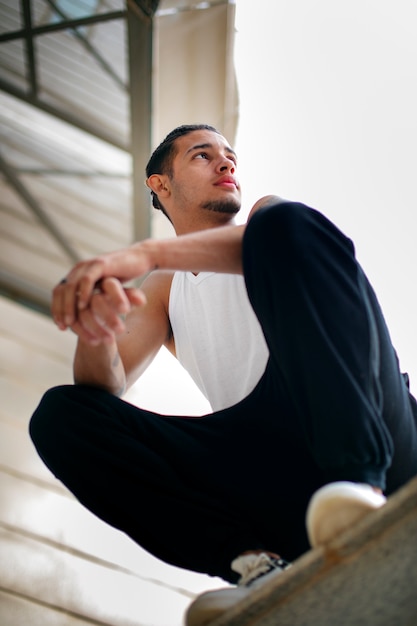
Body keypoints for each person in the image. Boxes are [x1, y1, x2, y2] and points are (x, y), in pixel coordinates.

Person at [29, 124, 417, 625]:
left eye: (229, 155)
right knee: (60, 415)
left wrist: (147, 251)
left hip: (366, 430)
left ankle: (359, 482)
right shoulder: (164, 288)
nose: (226, 163)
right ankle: (253, 563)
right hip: (271, 473)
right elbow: (105, 385)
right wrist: (96, 328)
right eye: (201, 155)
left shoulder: (267, 227)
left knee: (286, 221)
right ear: (160, 185)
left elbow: (272, 238)